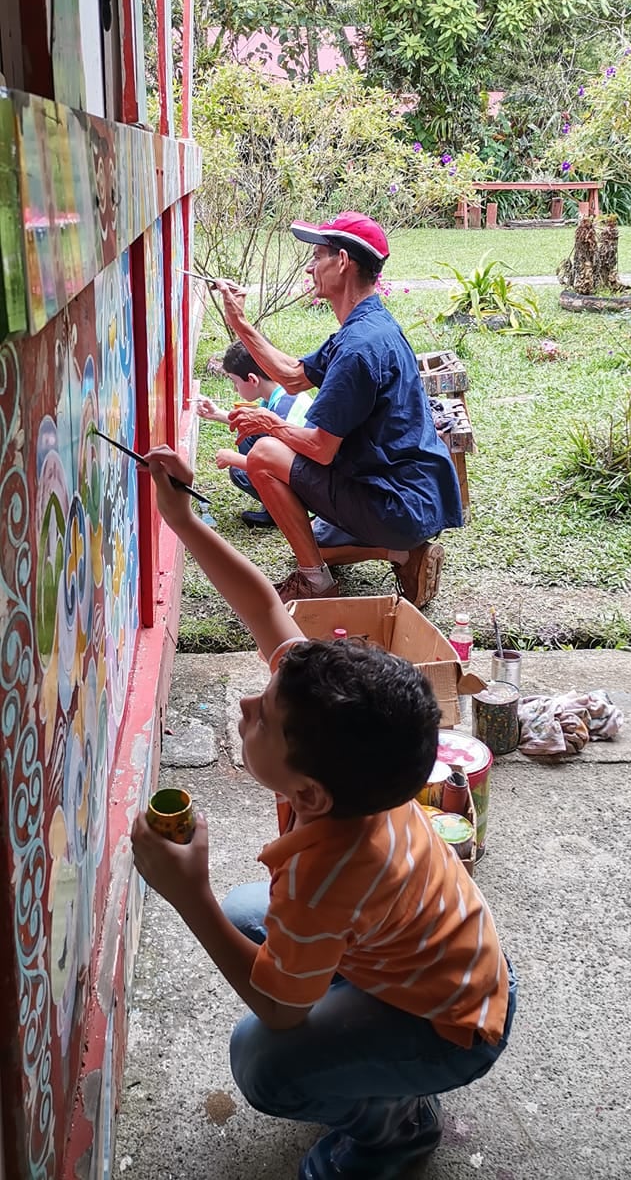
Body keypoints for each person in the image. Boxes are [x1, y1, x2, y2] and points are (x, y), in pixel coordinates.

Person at [132, 445, 516, 1180]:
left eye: (263, 719)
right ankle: (365, 1029)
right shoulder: (347, 746)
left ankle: (397, 1128)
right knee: (255, 914)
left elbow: (277, 1008)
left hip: (451, 1026)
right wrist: (180, 518)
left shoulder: (329, 865)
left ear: (309, 795)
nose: (248, 701)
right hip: (449, 961)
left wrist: (187, 893)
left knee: (263, 1060)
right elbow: (262, 606)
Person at [214, 211, 463, 605]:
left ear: (343, 262)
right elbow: (293, 375)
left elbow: (319, 447)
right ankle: (399, 553)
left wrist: (270, 423)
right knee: (310, 527)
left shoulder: (359, 348)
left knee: (263, 455)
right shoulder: (369, 323)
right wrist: (240, 321)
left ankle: (317, 579)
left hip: (396, 505)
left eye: (317, 257)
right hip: (409, 498)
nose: (311, 268)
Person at [196, 340, 312, 529]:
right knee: (250, 435)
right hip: (303, 468)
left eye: (235, 382)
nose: (234, 388)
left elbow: (284, 465)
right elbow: (252, 423)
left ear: (252, 379)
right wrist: (216, 413)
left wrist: (232, 458)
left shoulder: (281, 412)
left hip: (308, 484)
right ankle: (276, 505)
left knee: (240, 472)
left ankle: (287, 511)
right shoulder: (281, 392)